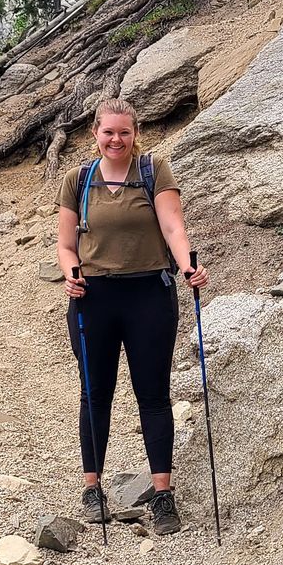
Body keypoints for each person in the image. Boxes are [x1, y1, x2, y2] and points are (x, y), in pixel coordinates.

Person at [55, 98, 209, 536]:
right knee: (95, 393)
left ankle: (163, 495)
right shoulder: (77, 180)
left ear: (135, 133)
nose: (116, 140)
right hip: (92, 296)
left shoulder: (153, 170)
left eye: (124, 132)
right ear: (95, 134)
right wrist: (71, 275)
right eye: (108, 132)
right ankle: (92, 489)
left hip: (149, 292)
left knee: (153, 394)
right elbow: (67, 245)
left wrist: (187, 266)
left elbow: (173, 226)